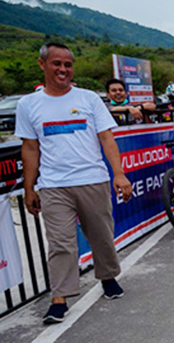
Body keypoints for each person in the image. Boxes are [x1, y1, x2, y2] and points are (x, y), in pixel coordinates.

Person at [15, 43, 132, 324]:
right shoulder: (28, 105)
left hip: (92, 179)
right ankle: (60, 297)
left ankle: (107, 277)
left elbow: (106, 138)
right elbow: (30, 148)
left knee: (101, 235)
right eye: (57, 64)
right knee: (60, 243)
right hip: (53, 185)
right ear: (42, 64)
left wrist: (119, 173)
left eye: (68, 65)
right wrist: (30, 188)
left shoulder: (89, 99)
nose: (63, 70)